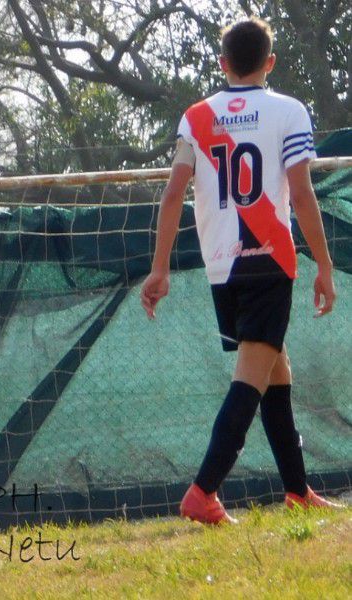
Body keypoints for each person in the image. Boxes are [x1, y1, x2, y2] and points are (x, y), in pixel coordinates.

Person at [141, 18, 344, 525]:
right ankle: (203, 490)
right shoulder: (289, 112)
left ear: (222, 63)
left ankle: (297, 491)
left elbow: (172, 195)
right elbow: (300, 194)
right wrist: (323, 263)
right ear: (270, 62)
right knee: (252, 376)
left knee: (276, 368)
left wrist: (159, 269)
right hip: (270, 260)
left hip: (221, 266)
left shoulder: (195, 116)